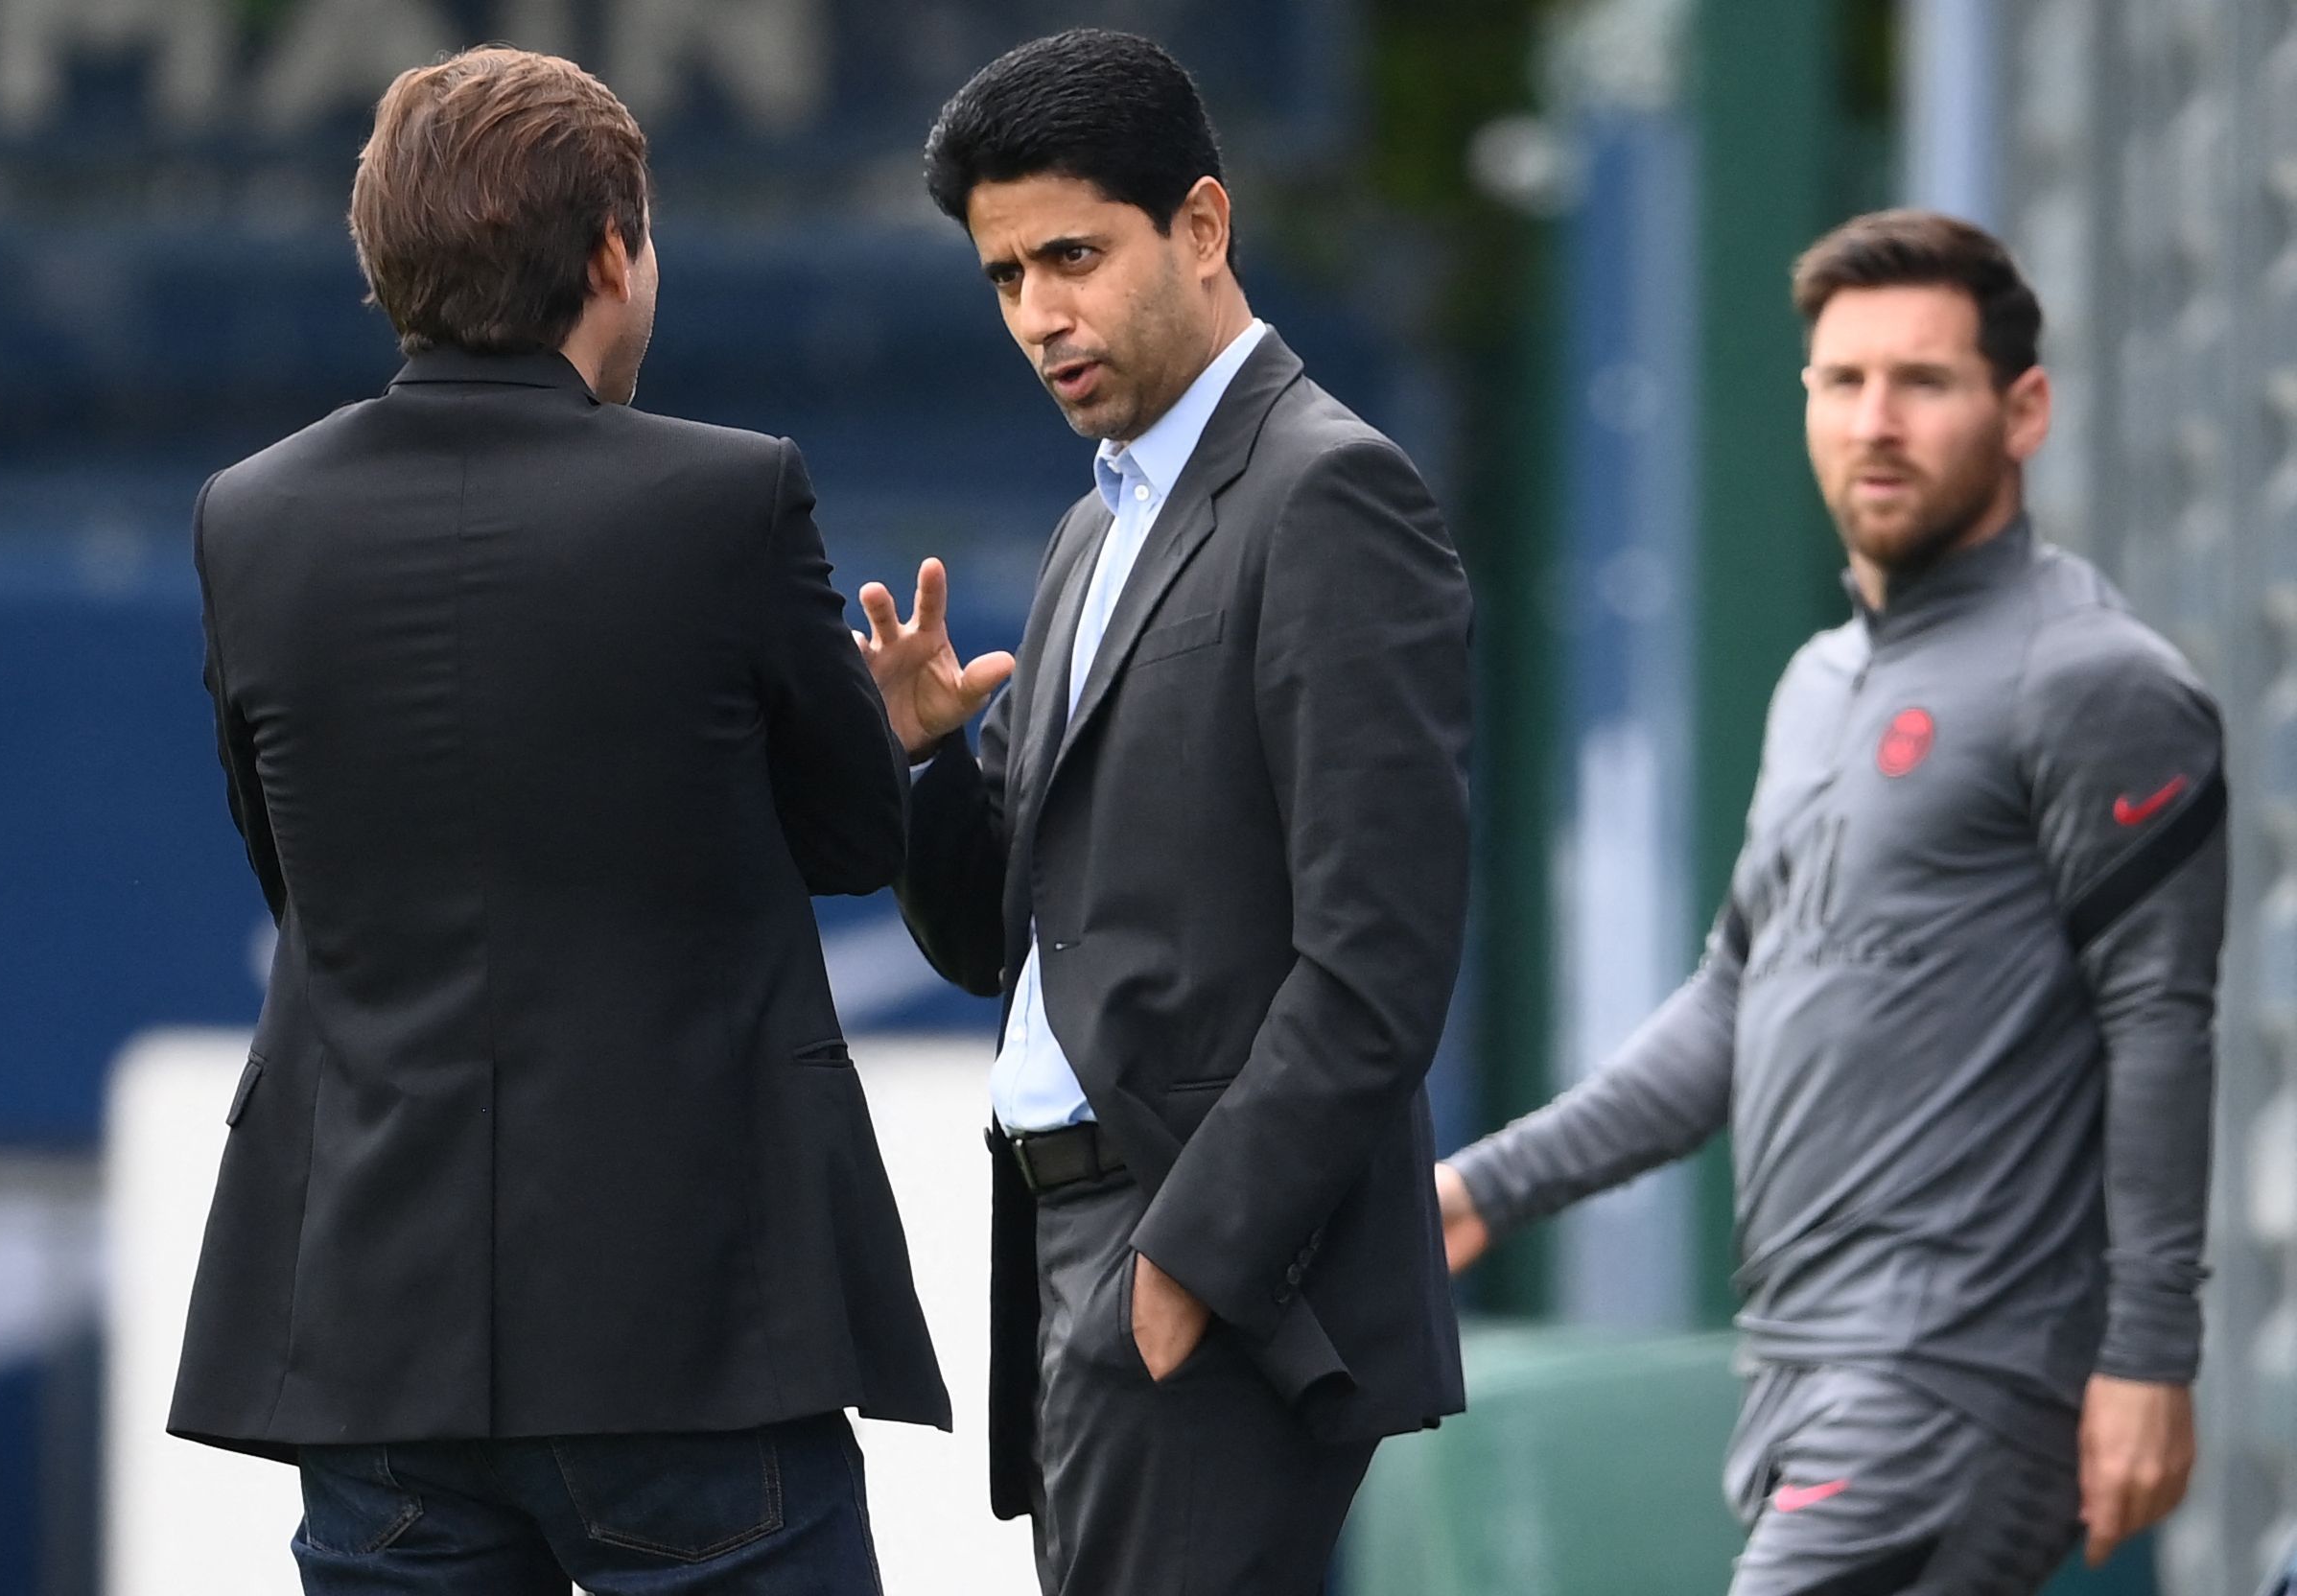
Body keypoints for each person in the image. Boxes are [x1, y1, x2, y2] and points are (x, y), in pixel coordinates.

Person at [169, 46, 948, 1595]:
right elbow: (856, 842)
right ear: (610, 252)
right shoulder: (730, 500)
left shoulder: (248, 518)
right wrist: (896, 726)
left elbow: (301, 876)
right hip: (696, 1339)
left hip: (377, 1358)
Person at [1440, 208, 2226, 1594]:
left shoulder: (2091, 676)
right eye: (1844, 381)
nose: (1877, 421)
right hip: (1803, 1367)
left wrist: (2149, 1357)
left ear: (2022, 408)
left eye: (1924, 382)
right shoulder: (1820, 686)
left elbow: (2161, 1023)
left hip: (1959, 1377)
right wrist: (1482, 1191)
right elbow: (1730, 1009)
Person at [856, 29, 1473, 1596]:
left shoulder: (1330, 494)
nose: (1040, 316)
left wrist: (1195, 1260)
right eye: (1005, 278)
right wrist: (933, 759)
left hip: (1202, 1264)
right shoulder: (1092, 527)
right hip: (1071, 1245)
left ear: (1202, 227)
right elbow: (991, 939)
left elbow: (1379, 962)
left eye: (1074, 255)